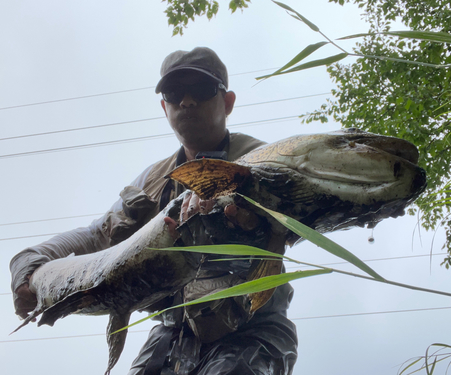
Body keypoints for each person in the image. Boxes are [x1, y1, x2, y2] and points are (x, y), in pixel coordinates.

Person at [10, 47, 298, 375]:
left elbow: (302, 219)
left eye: (201, 90)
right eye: (174, 93)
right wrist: (30, 262)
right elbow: (98, 235)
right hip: (170, 336)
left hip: (250, 332)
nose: (186, 102)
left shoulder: (265, 162)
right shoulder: (153, 181)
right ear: (164, 106)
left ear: (228, 102)